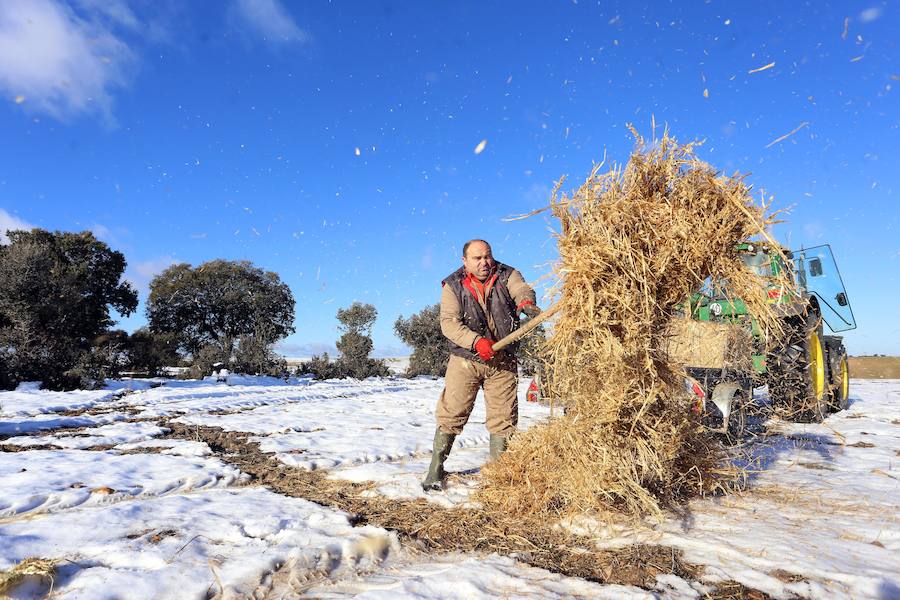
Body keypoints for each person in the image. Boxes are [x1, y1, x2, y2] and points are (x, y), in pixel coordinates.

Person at [422, 239, 541, 491]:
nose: (484, 262)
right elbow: (449, 324)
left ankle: (499, 475)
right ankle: (436, 469)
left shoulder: (507, 273)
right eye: (477, 258)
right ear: (465, 261)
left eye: (487, 256)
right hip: (466, 360)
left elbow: (521, 288)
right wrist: (477, 342)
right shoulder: (452, 285)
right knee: (452, 412)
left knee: (504, 417)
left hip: (503, 360)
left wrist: (526, 302)